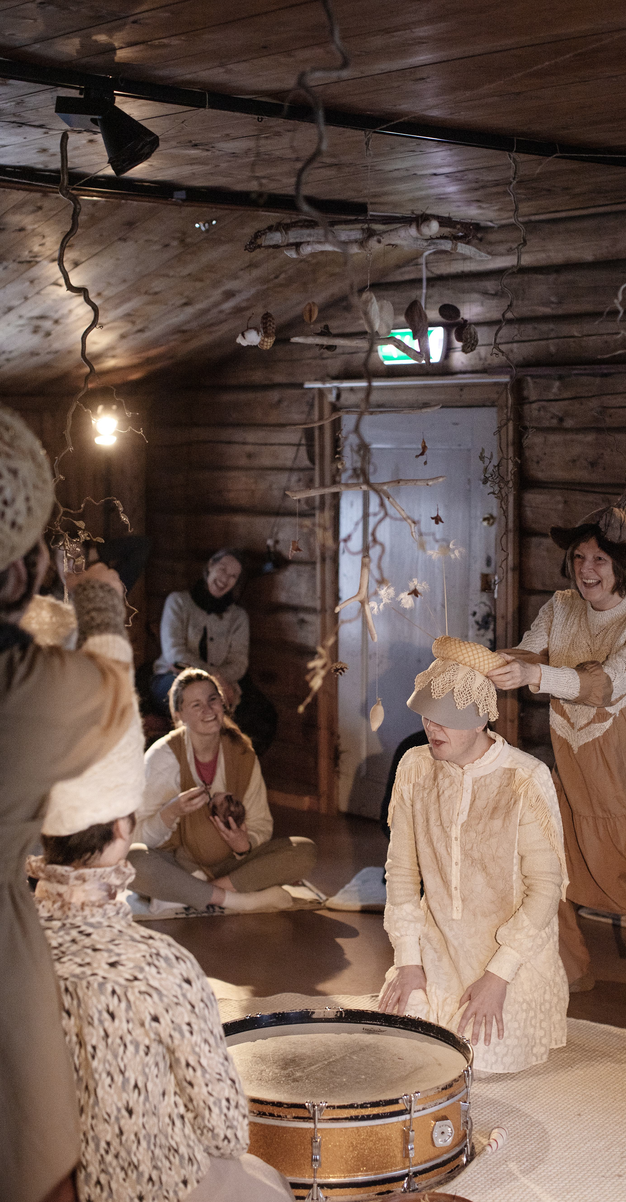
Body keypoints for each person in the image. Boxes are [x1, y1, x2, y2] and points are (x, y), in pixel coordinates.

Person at [487, 502, 626, 1027]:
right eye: (579, 557)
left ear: (624, 564)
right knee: (545, 858)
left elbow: (606, 684)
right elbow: (530, 653)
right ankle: (570, 969)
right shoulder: (561, 606)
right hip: (587, 774)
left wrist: (534, 677)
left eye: (599, 560)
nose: (586, 569)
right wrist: (483, 662)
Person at [0, 405, 136, 1202]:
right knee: (30, 1147)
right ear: (20, 576)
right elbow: (108, 695)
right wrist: (101, 603)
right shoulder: (24, 692)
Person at [27, 797, 293, 1202]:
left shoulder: (13, 950)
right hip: (148, 1186)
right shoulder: (161, 964)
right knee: (271, 1186)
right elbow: (225, 1132)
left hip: (28, 1179)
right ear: (123, 828)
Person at [379, 636, 569, 1074]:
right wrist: (408, 962)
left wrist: (498, 977)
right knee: (404, 1049)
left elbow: (545, 889)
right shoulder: (414, 766)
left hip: (507, 956)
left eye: (446, 719)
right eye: (427, 715)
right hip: (437, 947)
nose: (432, 727)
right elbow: (402, 872)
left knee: (478, 1060)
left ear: (481, 719)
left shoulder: (525, 778)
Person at [131, 668, 316, 913]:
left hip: (229, 866)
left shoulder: (242, 753)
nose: (208, 710)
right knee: (133, 861)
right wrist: (170, 812)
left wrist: (245, 845)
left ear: (223, 703)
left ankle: (192, 893)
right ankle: (240, 900)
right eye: (196, 705)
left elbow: (260, 823)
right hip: (177, 865)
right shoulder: (162, 757)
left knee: (304, 851)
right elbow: (137, 838)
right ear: (179, 714)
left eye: (213, 700)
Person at [150, 548, 277, 755]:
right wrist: (213, 679)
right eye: (223, 569)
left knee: (261, 716)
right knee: (200, 707)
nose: (225, 578)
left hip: (222, 683)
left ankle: (237, 769)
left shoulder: (238, 617)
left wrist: (219, 682)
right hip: (172, 677)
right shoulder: (178, 602)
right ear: (210, 566)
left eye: (233, 576)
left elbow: (239, 663)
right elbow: (175, 654)